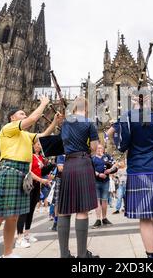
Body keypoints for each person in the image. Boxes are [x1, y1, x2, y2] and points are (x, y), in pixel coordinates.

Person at [0, 95, 61, 258]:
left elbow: (44, 135)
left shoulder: (25, 135)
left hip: (22, 174)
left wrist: (55, 122)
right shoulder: (8, 128)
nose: (24, 116)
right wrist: (44, 104)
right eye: (21, 114)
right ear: (13, 118)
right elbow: (33, 118)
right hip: (9, 170)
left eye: (24, 114)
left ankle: (7, 254)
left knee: (13, 217)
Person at [107, 88, 153, 258]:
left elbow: (112, 137)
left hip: (137, 169)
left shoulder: (127, 117)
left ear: (135, 99)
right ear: (149, 100)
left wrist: (118, 139)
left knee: (145, 219)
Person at [57, 96, 99, 258]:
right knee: (82, 209)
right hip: (83, 162)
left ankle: (64, 255)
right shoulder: (89, 123)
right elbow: (94, 148)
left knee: (64, 209)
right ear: (86, 108)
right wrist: (89, 149)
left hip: (68, 164)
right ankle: (82, 255)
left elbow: (62, 142)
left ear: (73, 108)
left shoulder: (66, 123)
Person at [15, 141, 51, 248]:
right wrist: (41, 180)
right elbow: (29, 172)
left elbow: (41, 171)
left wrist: (50, 168)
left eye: (40, 144)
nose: (39, 146)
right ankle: (19, 237)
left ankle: (26, 234)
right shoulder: (29, 156)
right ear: (33, 145)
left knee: (31, 210)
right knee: (24, 211)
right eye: (38, 144)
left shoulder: (39, 157)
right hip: (29, 185)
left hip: (36, 186)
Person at [91, 144, 116, 228]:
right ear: (95, 149)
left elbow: (115, 165)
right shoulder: (93, 158)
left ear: (103, 149)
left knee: (105, 200)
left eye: (101, 148)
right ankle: (98, 219)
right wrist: (98, 174)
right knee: (97, 200)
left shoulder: (107, 157)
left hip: (106, 181)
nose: (99, 149)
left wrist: (110, 170)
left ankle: (104, 218)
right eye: (98, 148)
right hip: (96, 181)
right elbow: (90, 169)